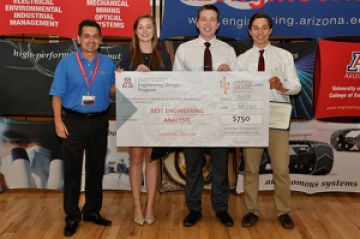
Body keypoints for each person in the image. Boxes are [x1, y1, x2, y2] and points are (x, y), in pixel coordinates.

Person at [234, 12, 301, 230]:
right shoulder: (241, 60)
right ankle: (252, 210)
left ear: (270, 30)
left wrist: (282, 86)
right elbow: (233, 90)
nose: (260, 32)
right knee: (251, 168)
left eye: (264, 28)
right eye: (256, 28)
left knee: (281, 169)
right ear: (250, 31)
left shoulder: (284, 56)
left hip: (277, 117)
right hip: (252, 117)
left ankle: (283, 211)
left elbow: (296, 85)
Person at [49, 19, 116, 237]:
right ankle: (71, 216)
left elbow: (112, 92)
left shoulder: (107, 64)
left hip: (99, 121)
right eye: (86, 36)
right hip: (73, 122)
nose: (91, 40)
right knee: (72, 171)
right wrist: (58, 121)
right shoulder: (66, 63)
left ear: (101, 40)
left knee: (96, 169)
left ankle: (92, 211)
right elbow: (56, 94)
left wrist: (124, 81)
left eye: (95, 36)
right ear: (78, 39)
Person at [173, 4, 236, 227]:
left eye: (212, 20)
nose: (208, 24)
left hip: (219, 116)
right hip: (193, 117)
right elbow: (176, 85)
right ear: (197, 22)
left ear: (218, 24)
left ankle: (221, 209)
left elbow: (238, 88)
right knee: (192, 166)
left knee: (220, 166)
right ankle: (194, 209)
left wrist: (231, 75)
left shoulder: (228, 51)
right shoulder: (184, 50)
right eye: (204, 19)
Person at [119, 14, 172, 226]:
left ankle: (150, 204)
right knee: (135, 158)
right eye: (140, 27)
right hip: (133, 115)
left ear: (154, 31)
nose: (144, 31)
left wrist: (151, 77)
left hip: (156, 114)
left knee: (152, 158)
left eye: (148, 27)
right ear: (135, 31)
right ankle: (137, 205)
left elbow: (171, 87)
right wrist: (130, 75)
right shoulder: (128, 55)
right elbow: (121, 87)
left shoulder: (164, 56)